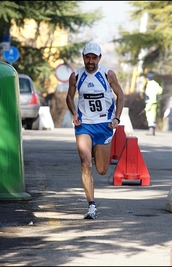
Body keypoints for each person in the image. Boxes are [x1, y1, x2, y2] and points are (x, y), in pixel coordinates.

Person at [66, 42, 125, 219]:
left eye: (94, 58)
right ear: (83, 57)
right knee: (85, 163)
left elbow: (120, 96)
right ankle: (91, 205)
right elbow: (69, 97)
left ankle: (93, 149)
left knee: (101, 170)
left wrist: (116, 118)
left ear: (99, 58)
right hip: (84, 124)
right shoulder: (76, 75)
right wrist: (74, 112)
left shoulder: (108, 75)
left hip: (104, 125)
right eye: (87, 57)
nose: (90, 61)